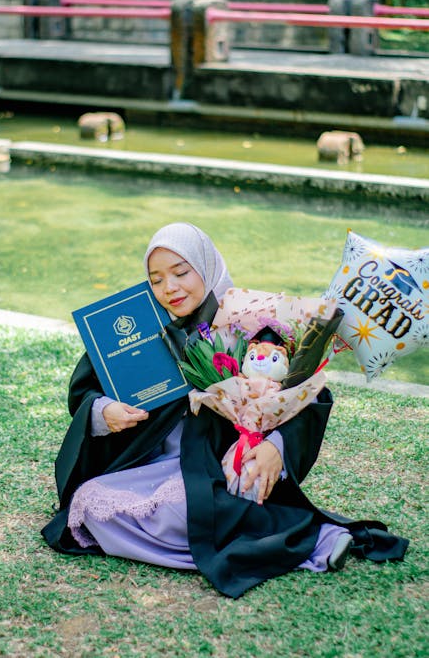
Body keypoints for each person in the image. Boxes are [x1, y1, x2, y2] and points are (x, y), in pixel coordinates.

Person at [41, 222, 408, 598]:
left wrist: (275, 448)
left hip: (220, 465)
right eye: (156, 280)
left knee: (193, 510)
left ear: (206, 266)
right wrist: (104, 412)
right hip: (150, 466)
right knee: (87, 507)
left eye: (181, 273)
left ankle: (315, 540)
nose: (170, 288)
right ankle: (275, 540)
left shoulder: (243, 323)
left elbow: (306, 391)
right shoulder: (135, 325)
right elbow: (84, 392)